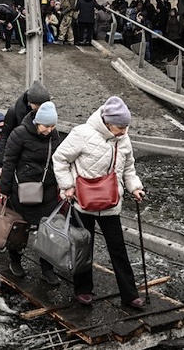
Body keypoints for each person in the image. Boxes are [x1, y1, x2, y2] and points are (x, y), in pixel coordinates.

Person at [52, 96, 147, 309]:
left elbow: (128, 169)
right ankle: (83, 289)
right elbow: (59, 159)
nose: (123, 131)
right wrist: (67, 186)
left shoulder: (124, 139)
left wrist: (135, 187)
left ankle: (130, 295)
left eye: (125, 126)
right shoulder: (81, 134)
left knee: (118, 249)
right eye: (119, 126)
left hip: (111, 203)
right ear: (107, 122)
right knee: (83, 247)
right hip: (83, 202)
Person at [0, 102, 62, 285]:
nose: (50, 130)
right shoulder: (19, 134)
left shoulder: (54, 136)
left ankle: (47, 269)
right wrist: (4, 189)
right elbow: (8, 161)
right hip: (22, 190)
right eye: (46, 126)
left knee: (48, 230)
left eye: (53, 126)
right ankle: (16, 261)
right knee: (19, 228)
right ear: (37, 123)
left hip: (47, 189)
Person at [0, 80, 51, 161]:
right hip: (19, 156)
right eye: (38, 106)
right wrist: (2, 162)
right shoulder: (14, 112)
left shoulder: (46, 112)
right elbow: (5, 137)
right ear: (31, 103)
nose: (41, 109)